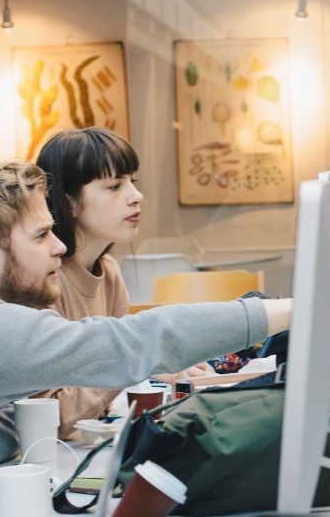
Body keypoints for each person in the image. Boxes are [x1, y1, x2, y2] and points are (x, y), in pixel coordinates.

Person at [0, 159, 330, 466]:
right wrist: (303, 305)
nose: (59, 247)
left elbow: (8, 424)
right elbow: (134, 342)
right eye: (42, 235)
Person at [35, 127, 209, 434]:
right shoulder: (42, 283)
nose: (136, 196)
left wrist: (154, 363)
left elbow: (113, 374)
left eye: (133, 181)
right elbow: (48, 418)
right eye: (115, 186)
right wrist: (138, 360)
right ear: (69, 202)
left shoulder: (110, 274)